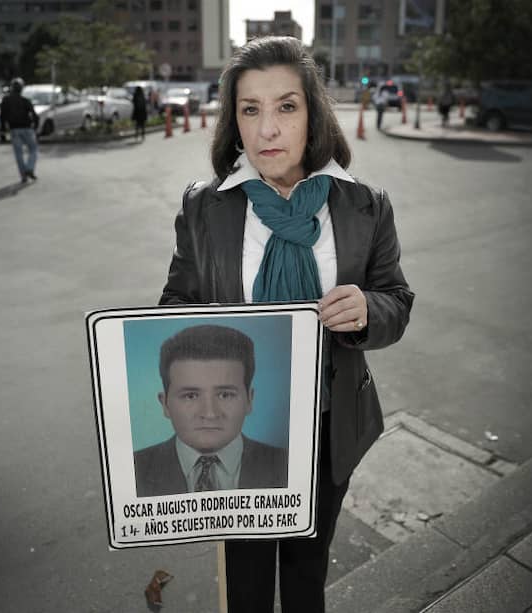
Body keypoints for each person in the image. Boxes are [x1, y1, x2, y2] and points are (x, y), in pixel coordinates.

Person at [159, 36, 413, 613]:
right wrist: (199, 328)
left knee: (306, 573)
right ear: (234, 119)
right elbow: (176, 300)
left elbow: (396, 299)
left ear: (313, 113)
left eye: (286, 107)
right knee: (245, 577)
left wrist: (369, 311)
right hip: (238, 428)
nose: (267, 130)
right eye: (250, 109)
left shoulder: (364, 205)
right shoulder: (205, 207)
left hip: (328, 427)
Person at [133, 324, 288, 497]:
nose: (210, 414)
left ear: (249, 400)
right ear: (165, 404)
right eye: (190, 396)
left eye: (225, 395)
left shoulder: (288, 465)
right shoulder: (132, 470)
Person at [0, 77, 39, 183]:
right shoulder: (25, 100)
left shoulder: (6, 100)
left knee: (18, 154)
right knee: (33, 149)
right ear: (21, 88)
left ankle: (23, 175)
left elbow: (2, 116)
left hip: (14, 129)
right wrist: (36, 127)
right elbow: (34, 116)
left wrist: (2, 129)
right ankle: (29, 168)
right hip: (27, 128)